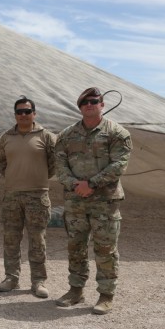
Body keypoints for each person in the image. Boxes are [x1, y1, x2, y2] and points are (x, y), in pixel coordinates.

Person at [55, 87, 132, 315]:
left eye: (94, 101)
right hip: (76, 201)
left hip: (105, 202)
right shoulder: (67, 135)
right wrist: (74, 185)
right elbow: (60, 165)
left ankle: (106, 295)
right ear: (80, 107)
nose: (90, 104)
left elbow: (119, 164)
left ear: (102, 105)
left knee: (105, 249)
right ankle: (75, 290)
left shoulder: (117, 133)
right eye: (85, 102)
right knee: (75, 247)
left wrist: (91, 184)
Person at [0, 96, 56, 297]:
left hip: (37, 195)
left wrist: (37, 177)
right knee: (11, 238)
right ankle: (11, 277)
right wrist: (15, 176)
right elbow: (0, 162)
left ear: (34, 114)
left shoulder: (46, 136)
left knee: (37, 239)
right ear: (15, 115)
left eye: (27, 111)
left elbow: (54, 164)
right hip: (12, 195)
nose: (23, 115)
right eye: (19, 112)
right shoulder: (6, 137)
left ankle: (38, 281)